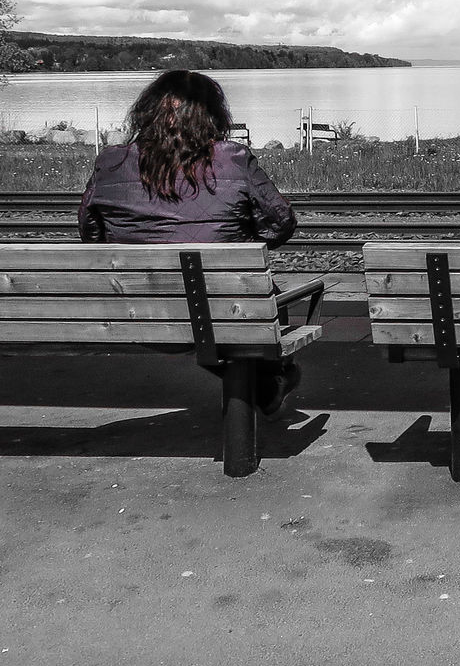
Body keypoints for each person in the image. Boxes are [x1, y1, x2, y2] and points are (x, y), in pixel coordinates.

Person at [78, 69, 301, 417]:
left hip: (138, 312)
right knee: (257, 294)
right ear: (213, 115)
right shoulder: (233, 158)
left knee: (223, 309)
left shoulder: (110, 161)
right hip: (226, 311)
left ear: (146, 112)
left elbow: (91, 234)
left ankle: (264, 384)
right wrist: (239, 241)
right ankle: (267, 380)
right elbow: (281, 223)